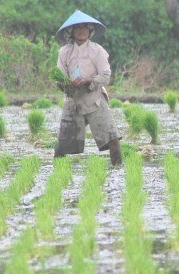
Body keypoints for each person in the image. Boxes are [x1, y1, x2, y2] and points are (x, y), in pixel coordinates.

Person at [54, 10, 122, 165]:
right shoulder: (64, 52)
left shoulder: (97, 50)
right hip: (73, 100)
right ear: (72, 31)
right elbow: (59, 78)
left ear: (90, 31)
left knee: (112, 138)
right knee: (62, 145)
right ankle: (57, 174)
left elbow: (105, 75)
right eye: (78, 27)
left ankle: (117, 169)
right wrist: (69, 84)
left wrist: (87, 81)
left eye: (85, 27)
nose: (81, 30)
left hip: (95, 99)